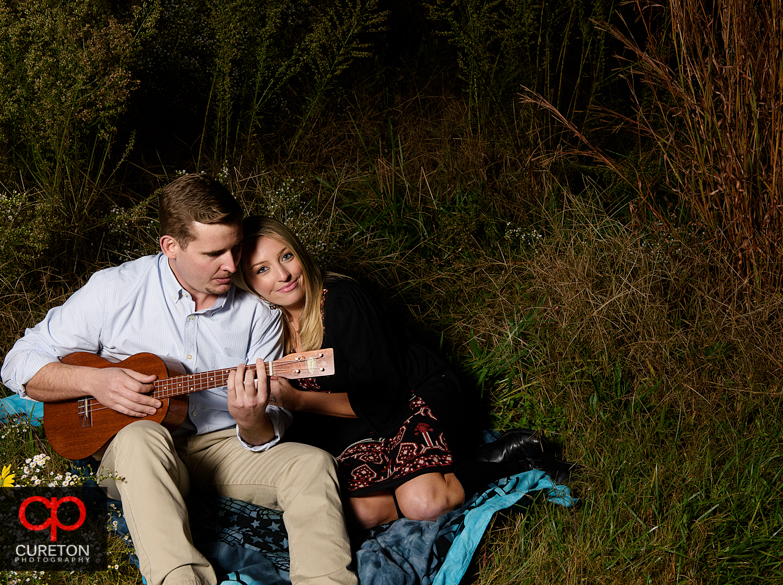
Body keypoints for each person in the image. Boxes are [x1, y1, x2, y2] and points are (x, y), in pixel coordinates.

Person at [1, 176, 357, 585]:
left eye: (236, 247)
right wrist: (93, 381)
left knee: (313, 464)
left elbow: (268, 424)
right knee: (141, 439)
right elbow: (18, 363)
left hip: (221, 447)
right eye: (214, 253)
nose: (231, 263)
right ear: (171, 246)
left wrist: (251, 420)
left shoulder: (258, 310)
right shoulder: (115, 290)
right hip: (135, 449)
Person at [230, 216, 546, 532]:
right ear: (247, 282)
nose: (283, 274)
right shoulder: (266, 330)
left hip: (409, 396)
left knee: (423, 503)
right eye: (262, 269)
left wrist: (298, 400)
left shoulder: (342, 300)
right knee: (357, 513)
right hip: (353, 425)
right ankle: (450, 471)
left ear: (300, 253)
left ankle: (516, 466)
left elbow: (382, 398)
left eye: (286, 256)